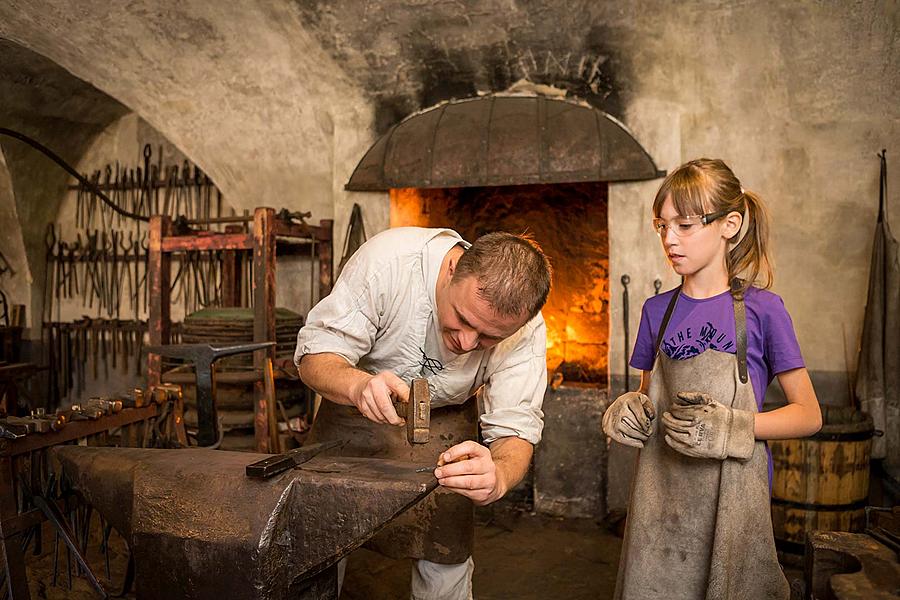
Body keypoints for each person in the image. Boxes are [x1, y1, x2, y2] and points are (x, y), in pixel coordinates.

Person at [603, 158, 821, 599]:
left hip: (733, 507)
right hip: (660, 505)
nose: (669, 239)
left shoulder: (764, 310)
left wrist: (733, 427)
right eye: (661, 226)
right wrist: (629, 409)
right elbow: (650, 398)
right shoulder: (655, 311)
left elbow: (809, 415)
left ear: (730, 224)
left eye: (684, 225)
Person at [295, 226, 551, 600]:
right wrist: (357, 386)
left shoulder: (527, 331)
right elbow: (315, 358)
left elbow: (516, 429)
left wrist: (497, 475)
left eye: (488, 338)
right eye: (463, 319)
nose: (466, 343)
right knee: (313, 548)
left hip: (446, 429)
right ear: (453, 267)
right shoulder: (389, 263)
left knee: (445, 553)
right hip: (353, 412)